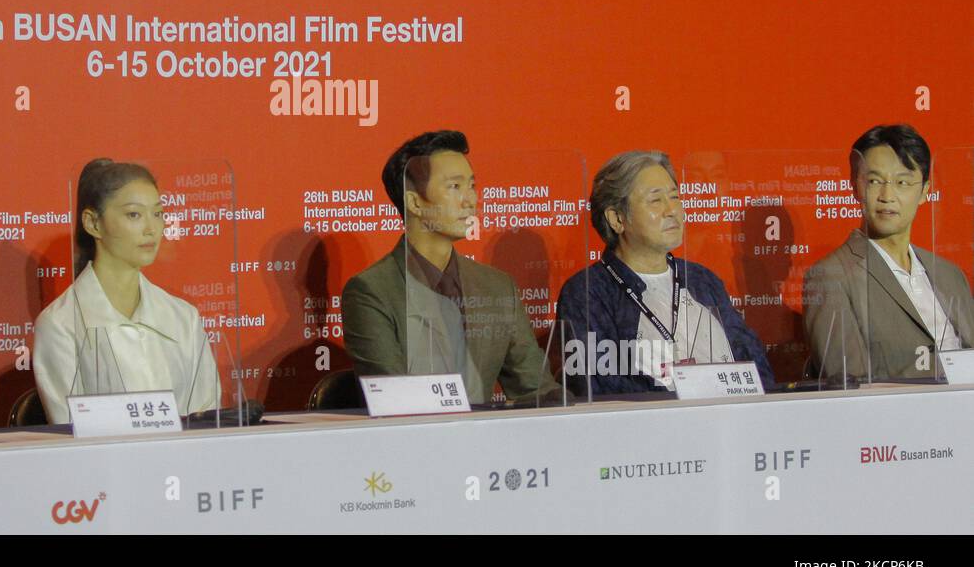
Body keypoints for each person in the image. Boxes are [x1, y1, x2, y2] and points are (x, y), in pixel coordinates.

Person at [341, 130, 561, 405]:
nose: (471, 200)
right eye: (455, 187)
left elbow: (536, 388)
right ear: (415, 202)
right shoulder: (371, 291)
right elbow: (395, 398)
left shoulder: (496, 286)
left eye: (472, 186)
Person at [556, 151, 774, 396]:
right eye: (656, 200)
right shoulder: (588, 292)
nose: (673, 210)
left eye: (675, 197)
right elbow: (599, 385)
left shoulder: (703, 281)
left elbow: (756, 368)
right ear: (617, 218)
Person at [34, 160, 220, 423]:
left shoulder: (183, 317)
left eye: (157, 214)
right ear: (92, 223)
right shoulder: (61, 324)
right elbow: (71, 429)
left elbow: (207, 417)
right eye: (134, 215)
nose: (151, 229)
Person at [804, 125, 973, 382]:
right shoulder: (831, 276)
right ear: (855, 186)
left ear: (925, 191)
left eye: (902, 182)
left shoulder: (951, 275)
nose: (887, 196)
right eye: (874, 181)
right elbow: (850, 385)